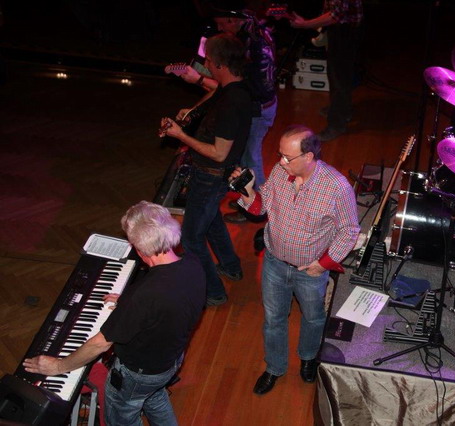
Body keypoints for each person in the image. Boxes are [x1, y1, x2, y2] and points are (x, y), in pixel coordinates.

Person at [23, 201, 206, 425]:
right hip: (170, 361)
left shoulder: (144, 296)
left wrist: (58, 366)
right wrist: (127, 302)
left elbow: (100, 344)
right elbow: (171, 301)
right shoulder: (192, 264)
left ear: (140, 249)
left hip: (139, 374)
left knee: (122, 419)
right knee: (154, 397)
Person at [231, 125, 359, 394]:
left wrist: (323, 264)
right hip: (274, 263)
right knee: (273, 319)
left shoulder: (337, 187)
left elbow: (349, 231)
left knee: (313, 318)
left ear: (309, 157)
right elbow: (262, 208)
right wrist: (248, 190)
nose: (280, 162)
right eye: (280, 155)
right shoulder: (281, 172)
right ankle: (274, 367)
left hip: (310, 271)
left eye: (287, 157)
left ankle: (308, 357)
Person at [161, 33, 252, 306]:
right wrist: (191, 112)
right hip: (216, 177)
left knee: (191, 239)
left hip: (210, 176)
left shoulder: (232, 103)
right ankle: (231, 266)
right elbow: (214, 93)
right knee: (211, 221)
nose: (206, 65)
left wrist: (181, 135)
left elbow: (218, 152)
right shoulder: (234, 87)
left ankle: (212, 292)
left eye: (209, 61)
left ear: (221, 64)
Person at [178, 0, 277, 224]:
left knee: (250, 160)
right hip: (261, 105)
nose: (220, 28)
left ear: (233, 19)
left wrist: (200, 79)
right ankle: (248, 198)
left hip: (258, 110)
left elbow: (234, 89)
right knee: (245, 157)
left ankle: (258, 207)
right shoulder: (256, 32)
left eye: (222, 24)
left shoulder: (249, 47)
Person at [289, 0, 363, 142]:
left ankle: (337, 124)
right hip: (341, 28)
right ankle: (343, 110)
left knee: (339, 77)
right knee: (337, 74)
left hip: (344, 30)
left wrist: (305, 24)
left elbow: (335, 16)